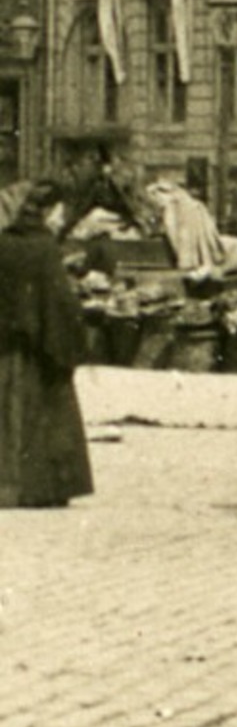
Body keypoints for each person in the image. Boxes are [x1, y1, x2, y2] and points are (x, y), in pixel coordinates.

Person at [0, 180, 94, 508]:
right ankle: (39, 488)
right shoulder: (43, 246)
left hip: (5, 346)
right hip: (40, 352)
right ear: (42, 210)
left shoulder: (4, 241)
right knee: (43, 418)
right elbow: (58, 302)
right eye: (57, 212)